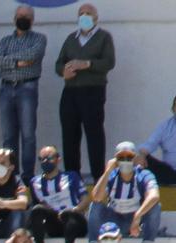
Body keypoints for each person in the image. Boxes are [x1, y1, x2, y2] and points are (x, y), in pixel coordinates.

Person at [54, 4, 115, 180]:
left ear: (96, 17)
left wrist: (87, 64)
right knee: (69, 134)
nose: (85, 16)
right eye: (82, 14)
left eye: (89, 14)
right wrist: (63, 71)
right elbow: (59, 63)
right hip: (70, 91)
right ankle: (73, 177)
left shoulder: (103, 37)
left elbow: (109, 62)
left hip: (93, 91)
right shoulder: (71, 38)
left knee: (94, 133)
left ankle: (98, 177)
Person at [0, 6, 46, 185]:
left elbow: (33, 55)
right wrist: (19, 62)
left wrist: (9, 61)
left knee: (28, 134)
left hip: (27, 88)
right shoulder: (6, 40)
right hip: (6, 89)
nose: (23, 18)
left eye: (27, 16)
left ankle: (27, 176)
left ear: (33, 20)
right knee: (8, 135)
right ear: (14, 18)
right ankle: (10, 176)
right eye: (20, 16)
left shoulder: (39, 38)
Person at [91, 140, 162, 243]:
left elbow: (154, 195)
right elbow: (96, 197)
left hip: (136, 223)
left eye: (129, 157)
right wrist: (107, 171)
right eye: (121, 157)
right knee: (95, 206)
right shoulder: (111, 176)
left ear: (135, 159)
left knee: (155, 206)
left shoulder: (144, 174)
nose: (125, 160)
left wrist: (137, 216)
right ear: (115, 159)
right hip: (115, 220)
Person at [27, 144, 91, 243]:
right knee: (37, 210)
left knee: (68, 214)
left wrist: (76, 210)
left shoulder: (72, 176)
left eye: (49, 158)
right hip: (55, 224)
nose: (46, 161)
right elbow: (38, 206)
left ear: (58, 159)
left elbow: (86, 199)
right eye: (42, 159)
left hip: (75, 222)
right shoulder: (34, 183)